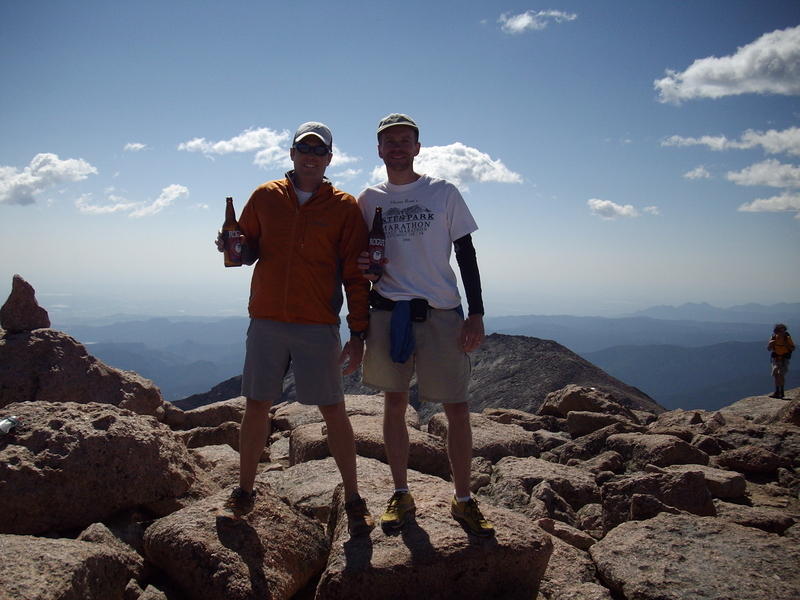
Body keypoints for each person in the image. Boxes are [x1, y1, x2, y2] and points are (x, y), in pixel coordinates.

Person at [218, 121, 374, 536]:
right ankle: (244, 490)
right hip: (267, 318)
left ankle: (354, 497)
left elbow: (357, 277)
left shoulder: (343, 207)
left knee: (333, 409)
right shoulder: (266, 197)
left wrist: (358, 334)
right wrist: (231, 246)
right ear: (291, 153)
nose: (310, 156)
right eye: (303, 148)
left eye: (318, 150)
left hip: (317, 323)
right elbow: (245, 250)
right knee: (256, 404)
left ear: (328, 158)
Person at [356, 113, 493, 537]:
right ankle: (401, 492)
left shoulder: (443, 192)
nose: (397, 148)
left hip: (440, 313)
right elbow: (361, 259)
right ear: (379, 150)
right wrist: (365, 281)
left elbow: (466, 252)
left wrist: (476, 312)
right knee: (394, 404)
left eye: (405, 141)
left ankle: (464, 497)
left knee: (456, 407)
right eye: (389, 142)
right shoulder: (368, 199)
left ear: (417, 147)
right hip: (388, 312)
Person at [767, 323, 794, 399]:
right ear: (777, 331)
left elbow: (792, 348)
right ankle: (777, 391)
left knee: (780, 374)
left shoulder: (787, 338)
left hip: (784, 358)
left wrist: (786, 344)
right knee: (776, 374)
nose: (782, 333)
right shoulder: (774, 338)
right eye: (781, 331)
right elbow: (769, 349)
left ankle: (781, 392)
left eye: (783, 331)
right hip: (776, 358)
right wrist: (770, 344)